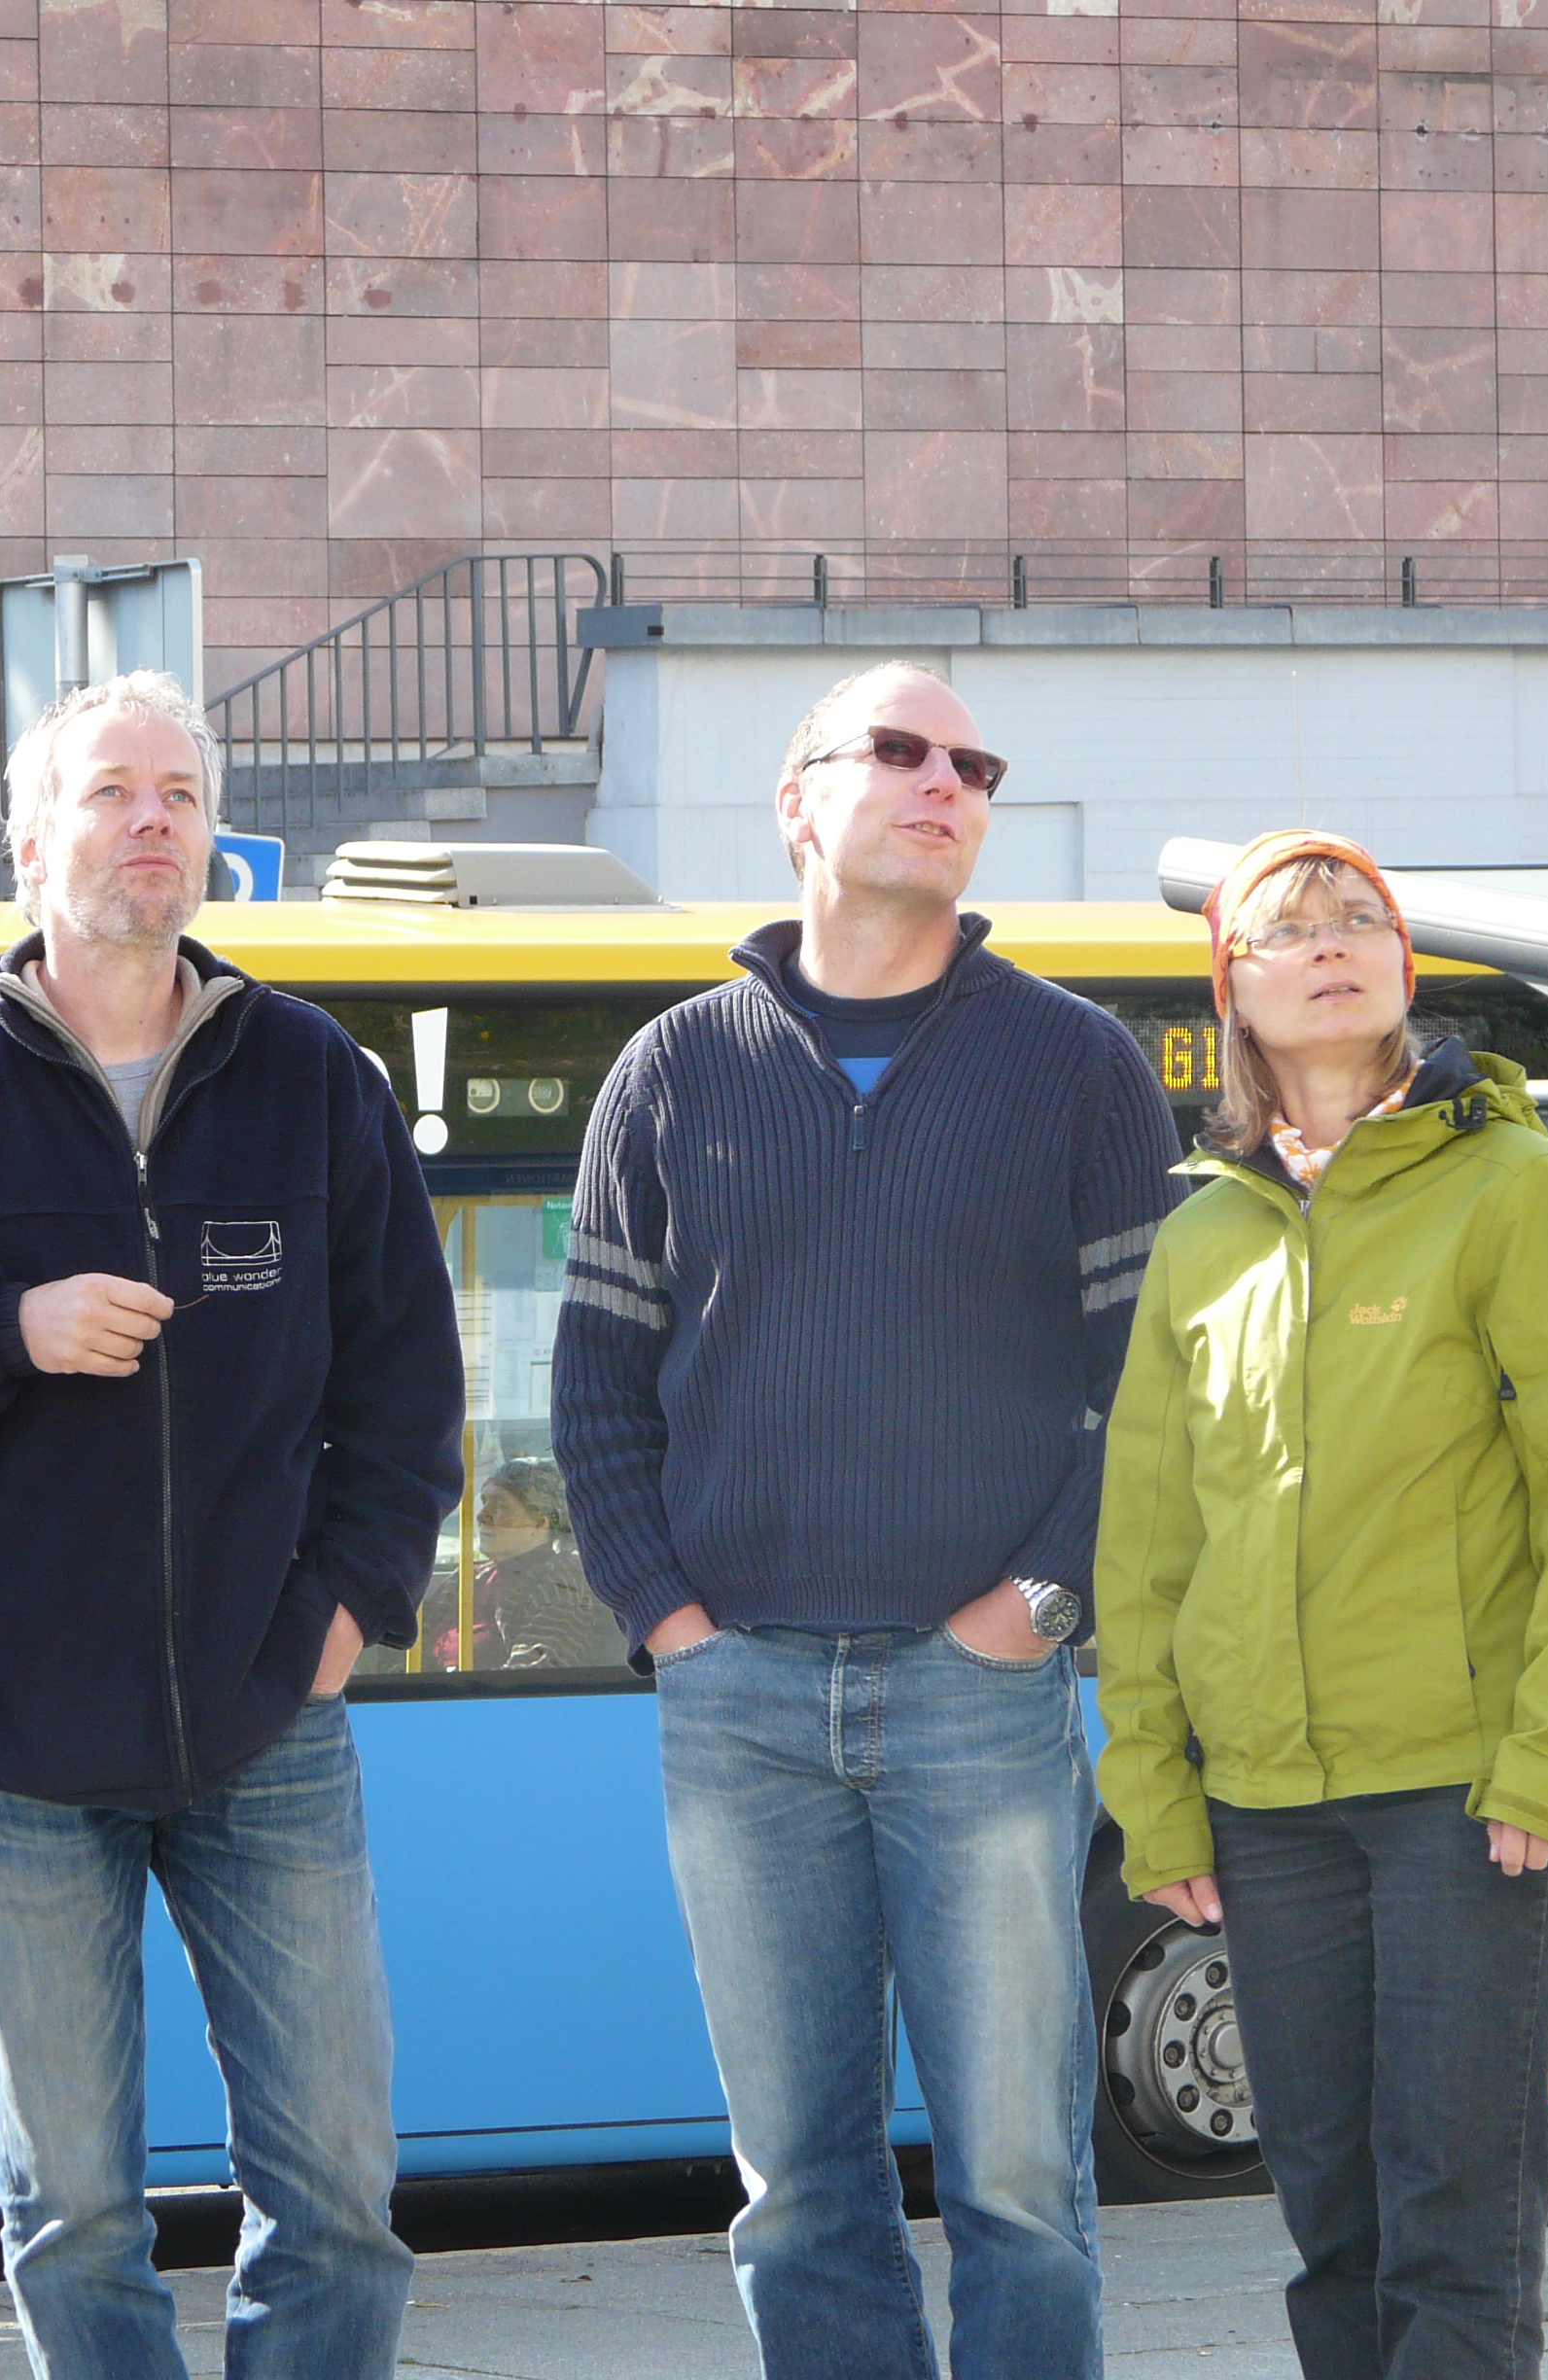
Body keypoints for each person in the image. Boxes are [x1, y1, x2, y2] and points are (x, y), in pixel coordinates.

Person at [0, 669, 462, 2380]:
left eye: (178, 793)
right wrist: (0, 1328)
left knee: (337, 2186)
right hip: (11, 1739)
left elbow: (407, 1383)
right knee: (73, 2207)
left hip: (268, 1720)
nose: (151, 820)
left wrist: (344, 1608)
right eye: (110, 791)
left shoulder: (309, 1075)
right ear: (28, 843)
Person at [550, 661, 1179, 2380]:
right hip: (736, 1697)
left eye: (973, 763)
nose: (943, 780)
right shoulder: (668, 1070)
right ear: (796, 801)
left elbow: (1151, 1391)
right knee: (796, 2188)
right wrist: (671, 1625)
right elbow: (593, 1389)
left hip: (981, 1696)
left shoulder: (1077, 1065)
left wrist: (1037, 1603)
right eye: (897, 750)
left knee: (1019, 2180)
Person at [1094, 830, 1548, 2379]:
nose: (1333, 943)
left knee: (1453, 2219)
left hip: (1465, 1802)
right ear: (1234, 989)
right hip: (1266, 1810)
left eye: (1362, 919)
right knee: (1332, 2218)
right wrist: (1156, 1793)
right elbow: (1146, 1549)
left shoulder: (1515, 1188)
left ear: (1404, 969)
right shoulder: (1201, 1236)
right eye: (1291, 927)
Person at [469, 1458, 618, 1671]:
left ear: (540, 1523)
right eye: (485, 1502)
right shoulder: (468, 1577)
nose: (482, 1516)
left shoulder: (560, 1584)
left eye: (502, 1507)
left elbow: (533, 1671)